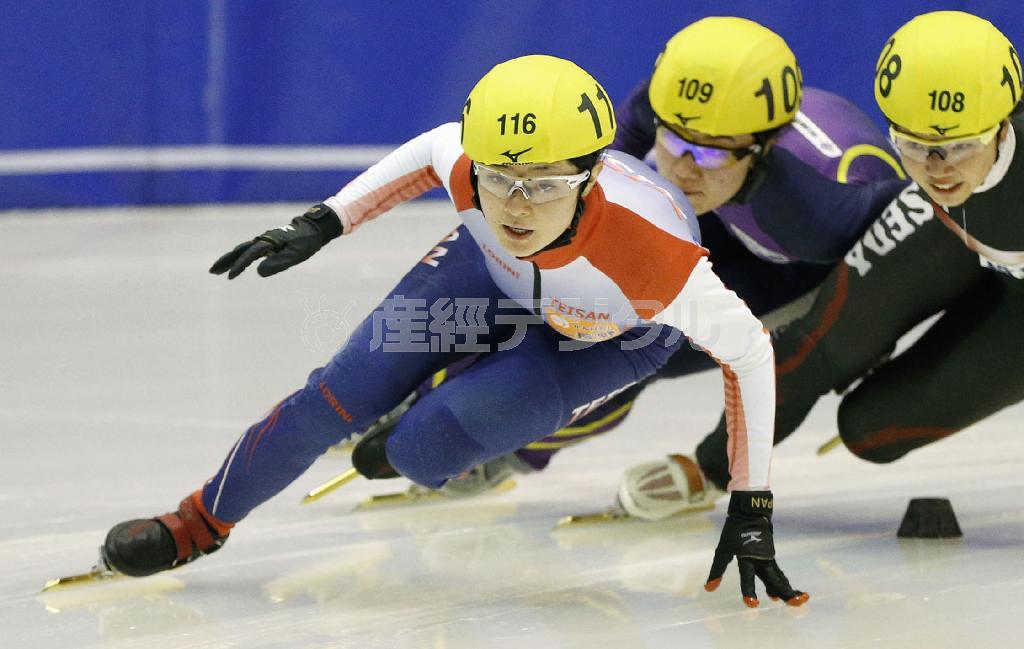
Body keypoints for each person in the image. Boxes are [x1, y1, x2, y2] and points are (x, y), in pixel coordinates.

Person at [98, 55, 807, 607]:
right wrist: (322, 222)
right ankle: (196, 524)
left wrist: (752, 504)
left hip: (609, 331)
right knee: (335, 397)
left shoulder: (659, 262)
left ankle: (425, 425)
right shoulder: (467, 164)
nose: (515, 205)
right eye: (499, 178)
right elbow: (423, 154)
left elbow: (748, 356)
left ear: (591, 176)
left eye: (545, 185)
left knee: (414, 450)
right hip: (488, 273)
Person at [386, 17, 908, 507]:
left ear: (761, 145)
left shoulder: (829, 198)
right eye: (674, 139)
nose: (681, 166)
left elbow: (894, 274)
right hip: (728, 214)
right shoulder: (665, 101)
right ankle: (425, 389)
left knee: (636, 345)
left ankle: (516, 449)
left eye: (708, 151)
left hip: (792, 270)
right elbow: (605, 171)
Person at [622, 9, 1024, 519]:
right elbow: (811, 347)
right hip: (949, 229)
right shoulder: (934, 191)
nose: (937, 169)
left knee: (876, 427)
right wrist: (713, 464)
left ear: (1004, 123)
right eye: (914, 146)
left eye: (960, 146)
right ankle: (709, 471)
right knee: (841, 385)